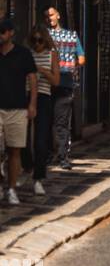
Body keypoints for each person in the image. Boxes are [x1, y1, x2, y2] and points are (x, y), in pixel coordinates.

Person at [0, 16, 37, 205]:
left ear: (11, 33)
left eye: (2, 32)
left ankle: (12, 189)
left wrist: (32, 104)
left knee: (15, 150)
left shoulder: (23, 54)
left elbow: (32, 79)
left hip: (18, 108)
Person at [44, 5, 85, 170]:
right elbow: (81, 59)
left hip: (55, 84)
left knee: (52, 123)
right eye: (47, 16)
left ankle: (54, 156)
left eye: (51, 15)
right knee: (59, 123)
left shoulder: (45, 37)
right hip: (57, 83)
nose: (49, 18)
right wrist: (70, 66)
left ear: (58, 15)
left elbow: (82, 58)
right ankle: (61, 157)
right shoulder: (71, 36)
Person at [27, 24, 59, 195]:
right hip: (24, 97)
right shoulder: (27, 54)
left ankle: (38, 177)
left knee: (41, 140)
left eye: (40, 40)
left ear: (45, 40)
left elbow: (56, 81)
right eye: (34, 40)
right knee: (22, 140)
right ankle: (27, 166)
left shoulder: (51, 54)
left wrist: (42, 71)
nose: (37, 44)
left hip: (43, 97)